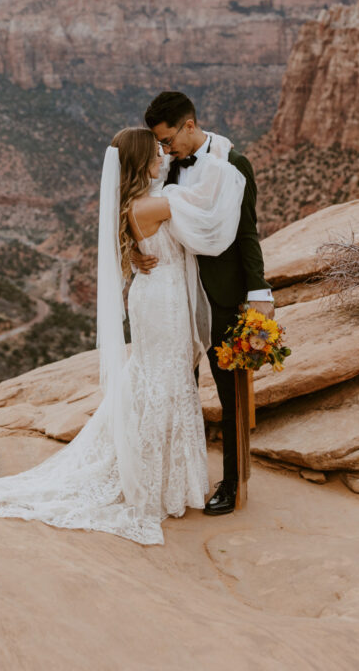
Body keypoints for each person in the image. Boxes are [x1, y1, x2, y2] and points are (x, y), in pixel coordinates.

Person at [0, 127, 245, 545]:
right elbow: (210, 209)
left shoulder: (136, 202)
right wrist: (219, 149)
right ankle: (152, 482)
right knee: (163, 382)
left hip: (156, 296)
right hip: (162, 301)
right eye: (155, 153)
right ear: (138, 163)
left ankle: (160, 476)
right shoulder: (157, 204)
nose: (164, 158)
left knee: (159, 380)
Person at [141, 92, 273, 516]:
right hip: (175, 295)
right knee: (180, 386)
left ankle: (233, 482)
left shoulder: (233, 164)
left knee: (229, 391)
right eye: (159, 144)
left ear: (189, 125)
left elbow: (247, 234)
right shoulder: (168, 170)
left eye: (167, 140)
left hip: (220, 297)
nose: (164, 150)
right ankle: (185, 476)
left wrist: (258, 294)